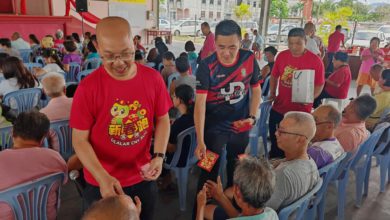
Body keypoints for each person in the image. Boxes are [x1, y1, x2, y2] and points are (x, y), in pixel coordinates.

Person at [70, 17, 171, 220]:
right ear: (97, 47)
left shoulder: (153, 79)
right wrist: (102, 177)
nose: (119, 63)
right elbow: (79, 140)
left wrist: (159, 156)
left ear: (134, 43)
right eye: (109, 56)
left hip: (142, 176)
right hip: (102, 181)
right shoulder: (88, 88)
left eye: (126, 54)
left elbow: (162, 119)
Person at [194, 19, 262, 193]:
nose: (226, 53)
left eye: (232, 47)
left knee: (238, 170)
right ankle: (201, 210)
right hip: (213, 130)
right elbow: (200, 104)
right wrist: (200, 140)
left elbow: (256, 91)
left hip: (241, 127)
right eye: (221, 47)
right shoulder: (206, 65)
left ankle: (234, 210)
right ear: (215, 43)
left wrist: (252, 118)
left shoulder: (249, 59)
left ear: (241, 42)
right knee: (207, 171)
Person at [268, 28, 325, 158]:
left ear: (305, 42)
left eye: (298, 43)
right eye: (291, 43)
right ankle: (274, 169)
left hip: (301, 112)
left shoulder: (315, 61)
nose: (294, 47)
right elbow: (274, 76)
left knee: (295, 148)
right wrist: (272, 92)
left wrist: (311, 97)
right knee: (276, 144)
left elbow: (320, 84)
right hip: (280, 108)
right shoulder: (282, 56)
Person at [0, 111, 67, 220]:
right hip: (46, 216)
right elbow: (64, 181)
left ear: (12, 132)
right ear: (43, 139)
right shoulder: (55, 158)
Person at [267, 111, 319, 211]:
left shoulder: (283, 175)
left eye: (282, 131)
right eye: (278, 128)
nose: (276, 133)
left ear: (301, 140)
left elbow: (260, 214)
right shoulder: (310, 161)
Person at [197, 157, 278, 220]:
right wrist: (220, 196)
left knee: (205, 210)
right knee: (208, 210)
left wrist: (201, 205)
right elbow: (240, 217)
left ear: (237, 192)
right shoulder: (271, 213)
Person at [159, 85, 195, 190]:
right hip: (193, 155)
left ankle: (165, 181)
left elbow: (171, 149)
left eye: (174, 96)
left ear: (179, 100)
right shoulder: (195, 116)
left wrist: (157, 136)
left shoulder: (179, 124)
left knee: (154, 150)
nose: (172, 98)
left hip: (179, 158)